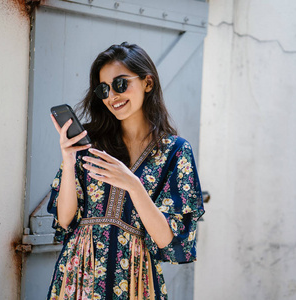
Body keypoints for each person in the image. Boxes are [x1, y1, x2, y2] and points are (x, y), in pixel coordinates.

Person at [47, 42, 205, 300]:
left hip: (135, 276)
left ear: (148, 83)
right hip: (79, 272)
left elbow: (166, 239)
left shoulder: (175, 151)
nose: (112, 96)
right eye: (104, 89)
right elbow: (65, 220)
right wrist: (68, 158)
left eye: (121, 84)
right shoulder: (89, 143)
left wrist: (132, 184)